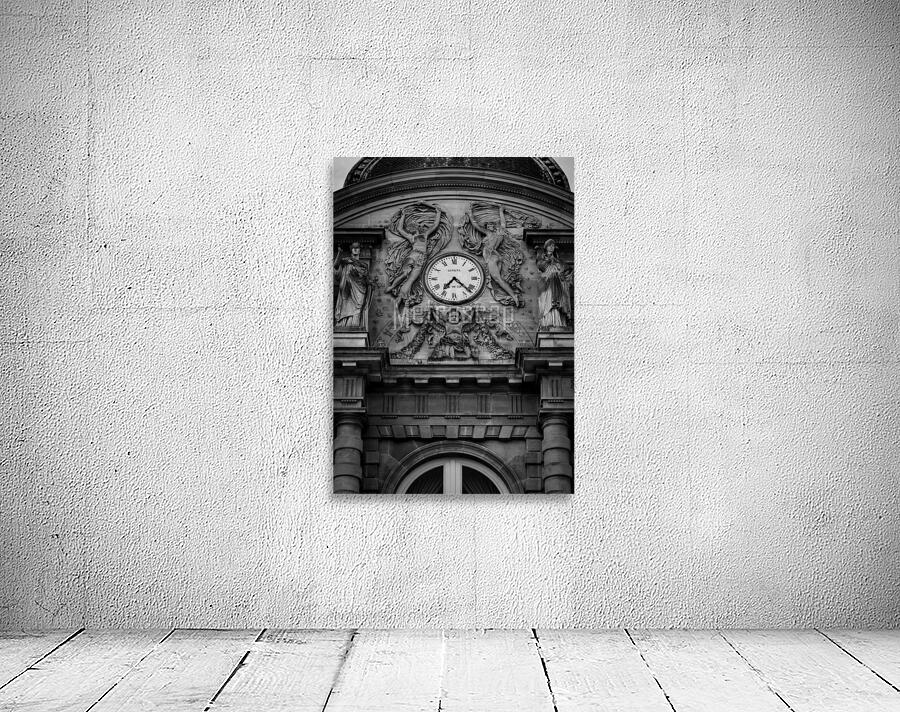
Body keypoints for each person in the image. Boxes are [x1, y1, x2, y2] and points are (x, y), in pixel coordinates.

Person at [466, 205, 520, 307]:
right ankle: (512, 294)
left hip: (491, 257)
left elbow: (476, 225)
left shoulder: (490, 234)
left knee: (497, 279)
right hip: (495, 256)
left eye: (490, 225)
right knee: (498, 279)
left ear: (492, 227)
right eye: (488, 225)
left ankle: (513, 296)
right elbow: (503, 224)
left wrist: (470, 214)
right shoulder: (499, 233)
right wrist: (501, 212)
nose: (488, 227)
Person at [387, 204, 442, 302]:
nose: (420, 226)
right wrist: (403, 215)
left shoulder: (424, 235)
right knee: (404, 274)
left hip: (421, 258)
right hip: (414, 255)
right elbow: (400, 229)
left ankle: (400, 296)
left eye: (420, 225)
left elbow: (435, 225)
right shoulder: (412, 237)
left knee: (411, 279)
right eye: (418, 225)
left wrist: (438, 213)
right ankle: (392, 287)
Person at [536, 238, 573, 328]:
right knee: (549, 301)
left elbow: (567, 269)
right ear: (546, 248)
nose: (551, 247)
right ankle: (548, 320)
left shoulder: (558, 261)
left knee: (558, 301)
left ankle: (558, 321)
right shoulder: (542, 260)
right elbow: (541, 267)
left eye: (553, 246)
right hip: (547, 284)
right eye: (549, 245)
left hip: (557, 284)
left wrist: (561, 275)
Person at [333, 242, 369, 328]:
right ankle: (344, 324)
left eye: (357, 248)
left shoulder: (364, 265)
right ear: (351, 250)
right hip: (347, 287)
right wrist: (339, 253)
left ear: (360, 250)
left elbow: (365, 278)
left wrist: (357, 274)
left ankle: (355, 324)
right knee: (346, 304)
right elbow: (336, 268)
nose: (355, 249)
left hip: (359, 288)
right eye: (353, 248)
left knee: (358, 307)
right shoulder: (346, 261)